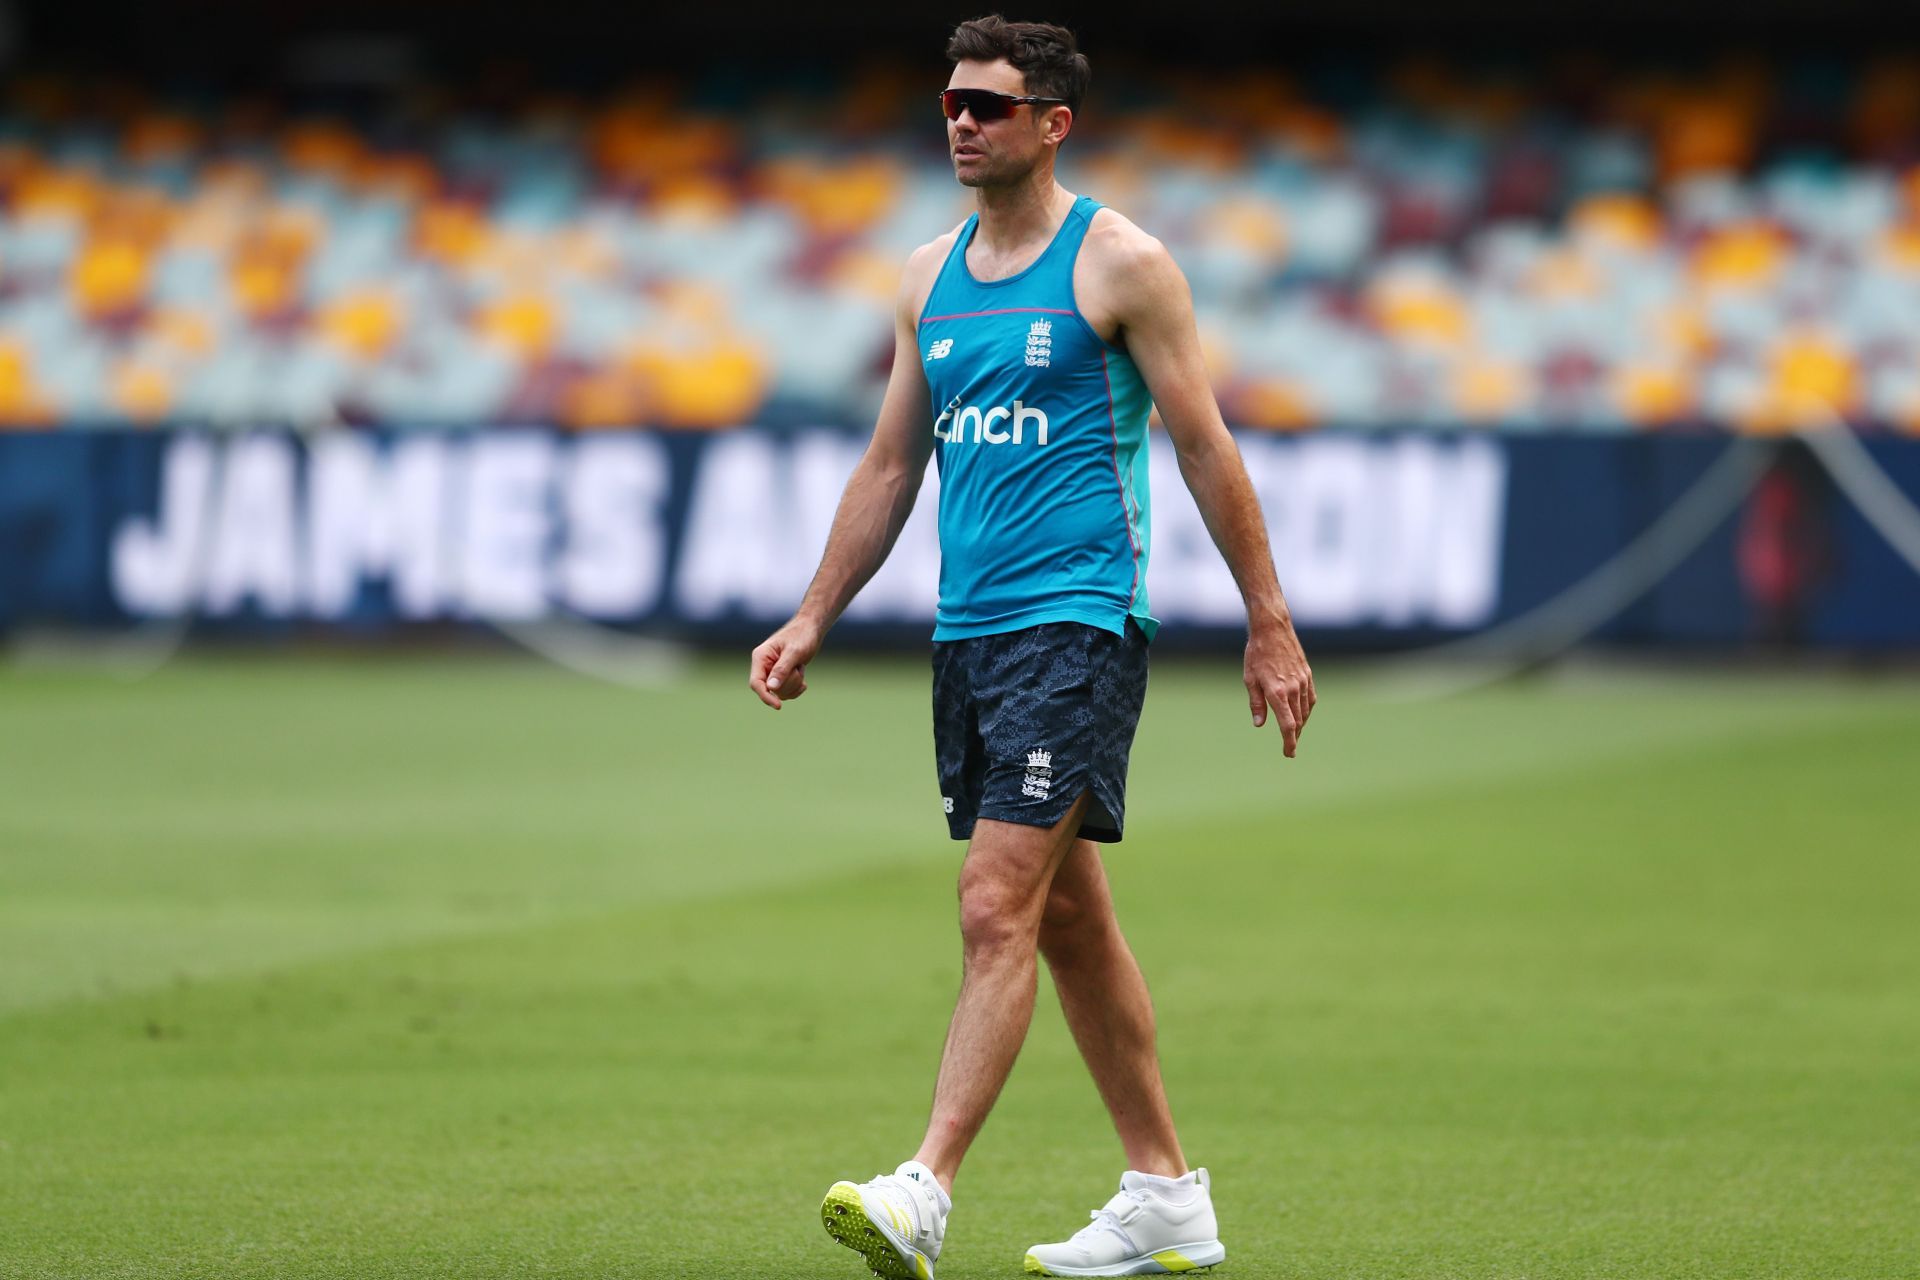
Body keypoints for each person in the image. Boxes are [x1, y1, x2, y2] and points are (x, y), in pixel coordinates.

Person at [748, 15, 1315, 1278]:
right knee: (1065, 919)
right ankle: (1167, 1191)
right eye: (951, 101)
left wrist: (1268, 618)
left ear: (1053, 124)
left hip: (1079, 622)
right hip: (972, 635)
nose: (960, 120)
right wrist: (812, 612)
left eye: (989, 105)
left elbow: (1207, 445)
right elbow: (895, 460)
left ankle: (924, 1188)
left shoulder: (1120, 265)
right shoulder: (923, 277)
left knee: (995, 898)